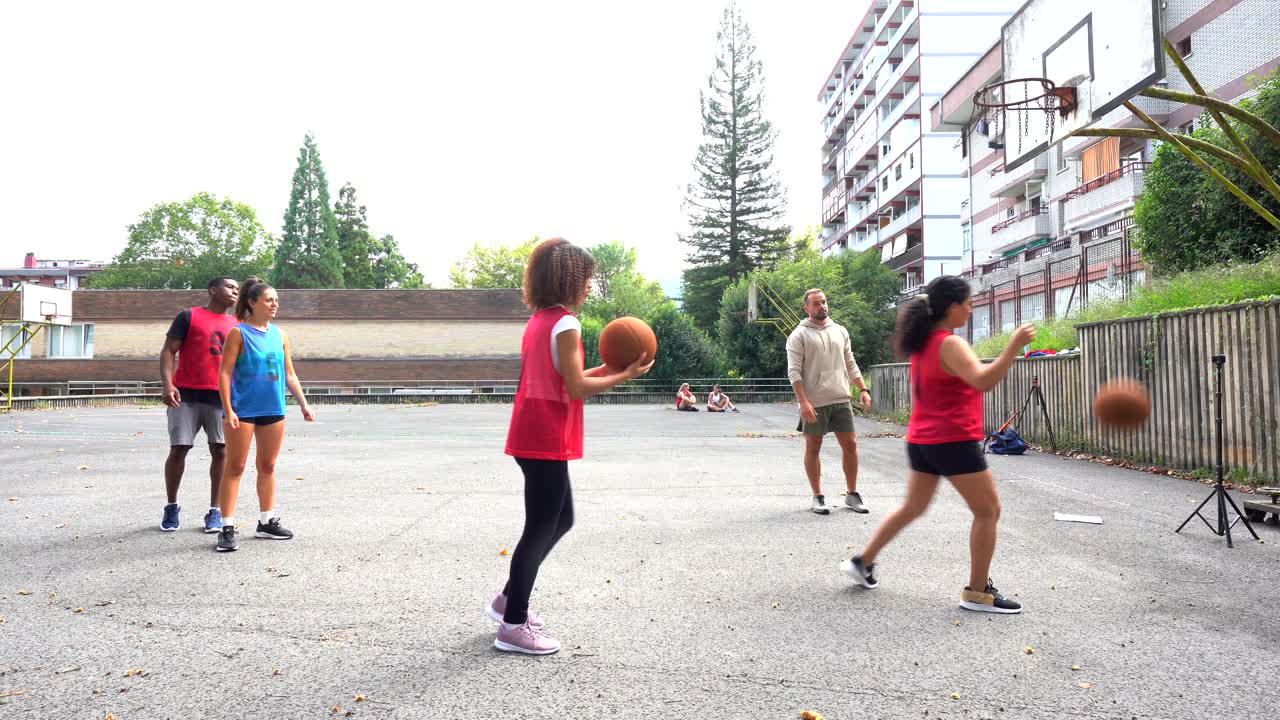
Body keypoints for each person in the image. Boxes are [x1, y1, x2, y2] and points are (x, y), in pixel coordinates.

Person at [490, 238, 653, 655]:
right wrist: (624, 378)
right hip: (544, 432)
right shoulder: (566, 323)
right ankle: (512, 625)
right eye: (586, 278)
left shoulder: (541, 320)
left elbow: (569, 374)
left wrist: (614, 368)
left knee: (560, 519)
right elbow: (578, 387)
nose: (589, 286)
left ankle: (508, 601)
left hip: (533, 429)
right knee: (541, 527)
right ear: (569, 279)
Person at [842, 276, 1035, 615]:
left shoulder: (925, 343)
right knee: (988, 511)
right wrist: (1014, 346)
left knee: (913, 507)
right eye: (968, 303)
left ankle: (863, 561)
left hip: (922, 441)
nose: (971, 308)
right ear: (952, 306)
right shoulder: (950, 343)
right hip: (953, 440)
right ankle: (977, 592)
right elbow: (983, 380)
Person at [213, 277, 315, 553]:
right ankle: (226, 528)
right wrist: (228, 408)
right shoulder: (239, 333)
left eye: (276, 300)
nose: (275, 305)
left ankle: (266, 521)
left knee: (268, 466)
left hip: (274, 409)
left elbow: (290, 374)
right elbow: (224, 373)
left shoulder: (280, 335)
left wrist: (303, 404)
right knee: (235, 468)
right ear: (252, 302)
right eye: (269, 300)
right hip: (243, 410)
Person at [158, 276, 240, 533]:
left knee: (221, 451)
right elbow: (168, 351)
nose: (235, 291)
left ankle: (215, 511)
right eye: (229, 286)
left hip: (221, 397)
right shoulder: (188, 316)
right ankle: (172, 506)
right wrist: (168, 384)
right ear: (213, 289)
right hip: (186, 395)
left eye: (238, 289)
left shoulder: (239, 324)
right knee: (179, 449)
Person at [786, 289, 871, 515]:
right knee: (814, 447)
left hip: (841, 397)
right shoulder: (798, 335)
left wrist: (863, 388)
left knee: (850, 445)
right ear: (806, 308)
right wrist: (803, 403)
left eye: (824, 302)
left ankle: (852, 495)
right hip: (814, 402)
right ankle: (818, 496)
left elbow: (850, 363)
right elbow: (794, 372)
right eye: (816, 303)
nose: (822, 306)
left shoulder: (840, 331)